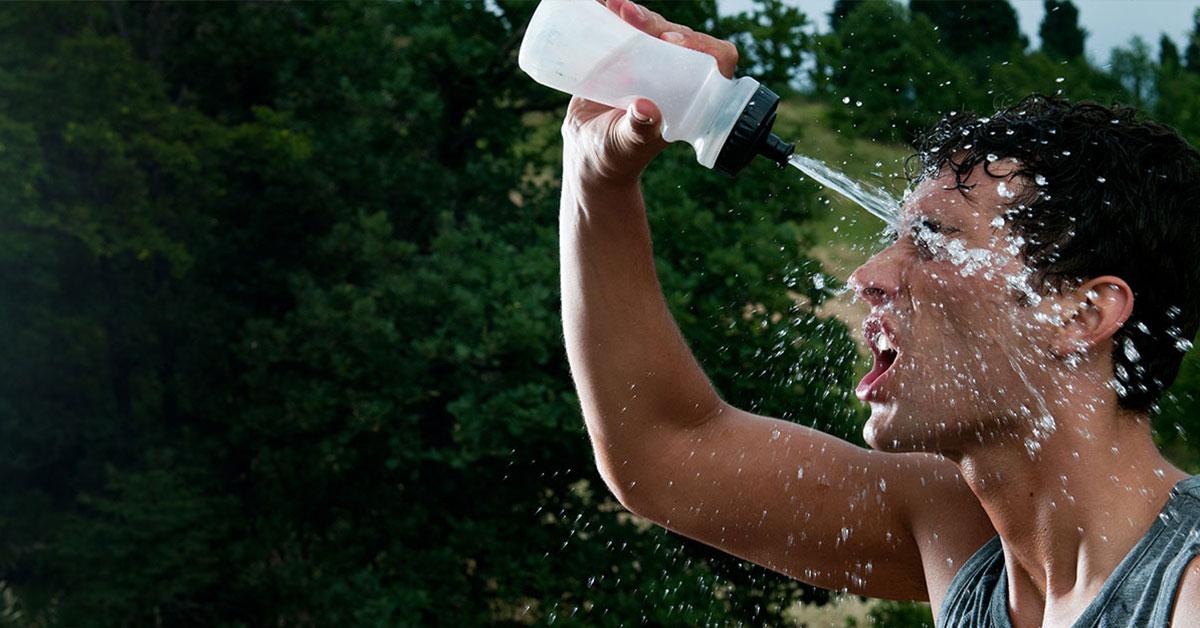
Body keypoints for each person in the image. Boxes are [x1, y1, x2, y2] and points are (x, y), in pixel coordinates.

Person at [559, 1, 1200, 626]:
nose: (865, 278)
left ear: (1083, 313)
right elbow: (666, 449)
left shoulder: (1184, 590)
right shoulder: (962, 534)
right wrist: (597, 178)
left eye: (932, 242)